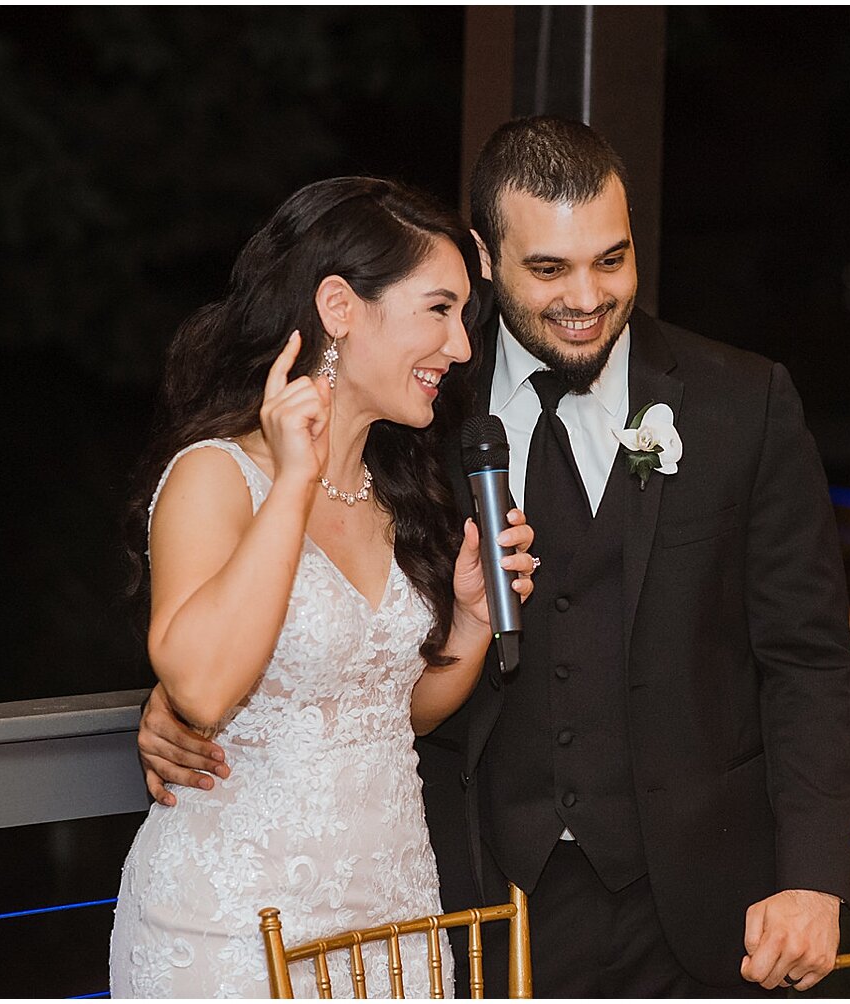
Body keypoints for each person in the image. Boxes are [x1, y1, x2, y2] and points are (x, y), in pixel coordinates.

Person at [140, 117, 850, 997]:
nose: (587, 296)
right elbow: (285, 595)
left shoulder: (739, 404)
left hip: (702, 897)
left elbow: (809, 658)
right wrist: (200, 701)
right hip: (474, 897)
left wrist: (815, 875)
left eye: (612, 258)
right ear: (486, 258)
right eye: (549, 268)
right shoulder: (415, 410)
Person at [109, 176, 536, 999]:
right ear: (340, 305)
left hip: (393, 919)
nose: (461, 347)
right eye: (438, 310)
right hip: (238, 928)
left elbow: (389, 713)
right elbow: (199, 688)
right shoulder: (215, 476)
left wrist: (473, 621)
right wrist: (294, 479)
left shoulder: (396, 490)